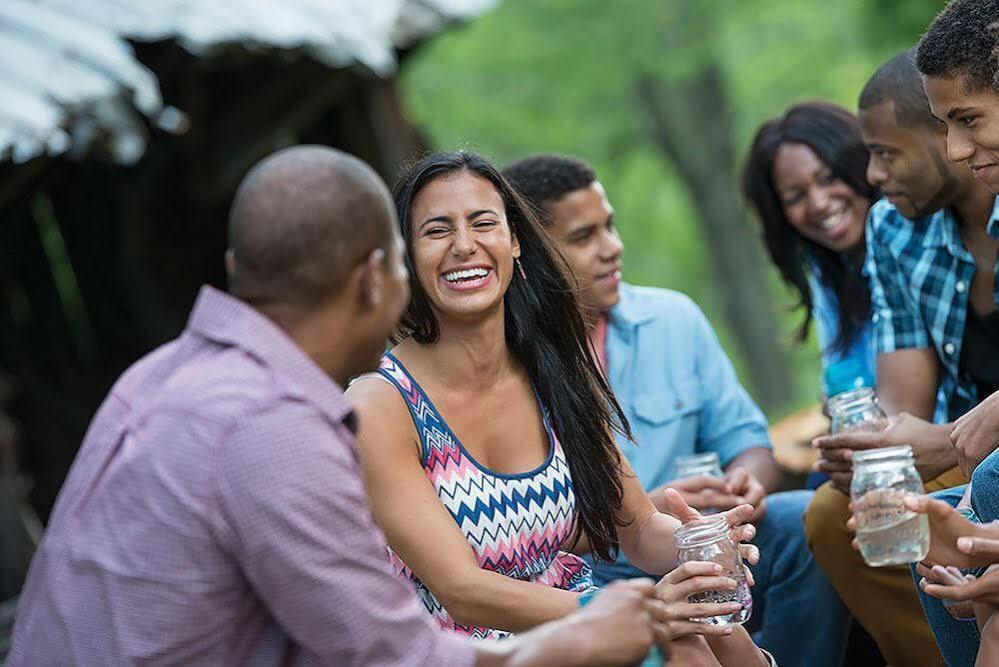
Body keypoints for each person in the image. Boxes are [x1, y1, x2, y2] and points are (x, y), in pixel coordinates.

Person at [7, 145, 678, 666]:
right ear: (376, 279)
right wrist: (582, 631)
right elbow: (394, 650)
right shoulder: (274, 428)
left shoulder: (159, 376)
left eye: (482, 225)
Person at [347, 151, 771, 666]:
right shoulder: (381, 404)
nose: (464, 246)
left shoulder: (555, 370)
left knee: (711, 641)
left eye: (484, 223)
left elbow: (636, 527)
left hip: (585, 625)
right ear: (407, 256)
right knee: (681, 646)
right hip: (472, 650)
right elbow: (462, 590)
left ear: (516, 241)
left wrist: (699, 544)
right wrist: (626, 611)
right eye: (437, 231)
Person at [502, 153, 850, 667]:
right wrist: (647, 509)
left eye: (611, 227)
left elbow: (748, 443)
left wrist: (742, 487)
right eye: (584, 237)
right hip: (598, 569)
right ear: (526, 256)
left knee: (800, 519)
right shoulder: (511, 366)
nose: (613, 248)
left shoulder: (673, 319)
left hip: (698, 538)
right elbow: (529, 530)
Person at [801, 48, 999, 667]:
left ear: (945, 135)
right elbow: (902, 405)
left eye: (887, 153)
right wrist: (873, 450)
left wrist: (938, 444)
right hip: (961, 436)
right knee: (839, 511)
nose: (874, 176)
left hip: (984, 444)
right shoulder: (893, 229)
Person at [742, 101, 878, 404]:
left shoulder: (912, 241)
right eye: (796, 197)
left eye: (828, 178)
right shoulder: (825, 269)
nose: (818, 203)